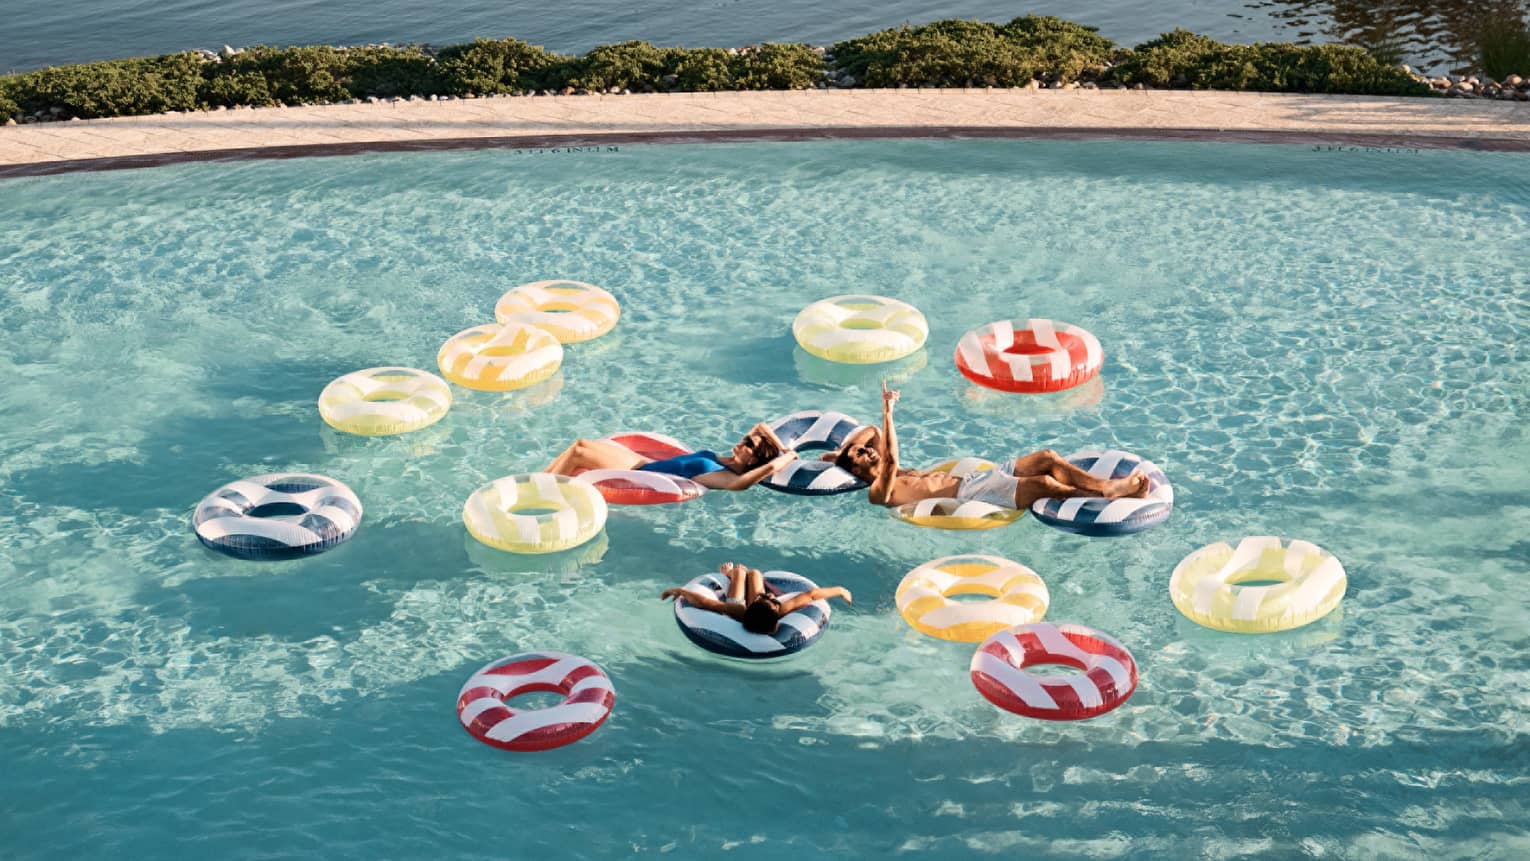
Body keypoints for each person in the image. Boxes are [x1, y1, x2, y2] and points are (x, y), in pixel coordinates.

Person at [824, 382, 1151, 509]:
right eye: (861, 454)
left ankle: (1108, 487)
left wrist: (837, 455)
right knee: (1045, 484)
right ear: (857, 470)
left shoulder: (879, 462)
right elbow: (890, 460)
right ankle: (1102, 499)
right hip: (971, 496)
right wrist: (887, 409)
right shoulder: (878, 491)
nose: (868, 449)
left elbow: (868, 432)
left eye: (864, 449)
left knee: (1047, 458)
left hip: (974, 480)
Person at [543, 423, 798, 491]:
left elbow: (744, 484)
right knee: (579, 444)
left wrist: (786, 459)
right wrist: (780, 446)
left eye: (748, 444)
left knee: (579, 451)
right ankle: (541, 479)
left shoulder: (726, 477)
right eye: (745, 439)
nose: (743, 441)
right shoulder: (725, 460)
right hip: (642, 462)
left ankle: (542, 489)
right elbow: (761, 426)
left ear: (753, 459)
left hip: (641, 473)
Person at [660, 562, 853, 635]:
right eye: (771, 599)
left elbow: (705, 603)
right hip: (748, 609)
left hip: (743, 606)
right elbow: (810, 595)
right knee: (749, 574)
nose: (771, 595)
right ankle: (733, 575)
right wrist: (840, 590)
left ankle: (732, 575)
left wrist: (679, 590)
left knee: (747, 573)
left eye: (767, 598)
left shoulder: (740, 610)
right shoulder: (779, 610)